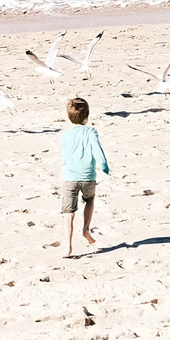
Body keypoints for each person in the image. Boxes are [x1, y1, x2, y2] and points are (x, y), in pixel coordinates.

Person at [57, 97, 110, 257]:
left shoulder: (65, 135)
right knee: (90, 200)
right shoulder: (91, 131)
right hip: (88, 176)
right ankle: (86, 229)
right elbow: (97, 150)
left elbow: (64, 158)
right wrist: (104, 165)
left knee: (68, 213)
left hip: (70, 177)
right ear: (87, 117)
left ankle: (67, 245)